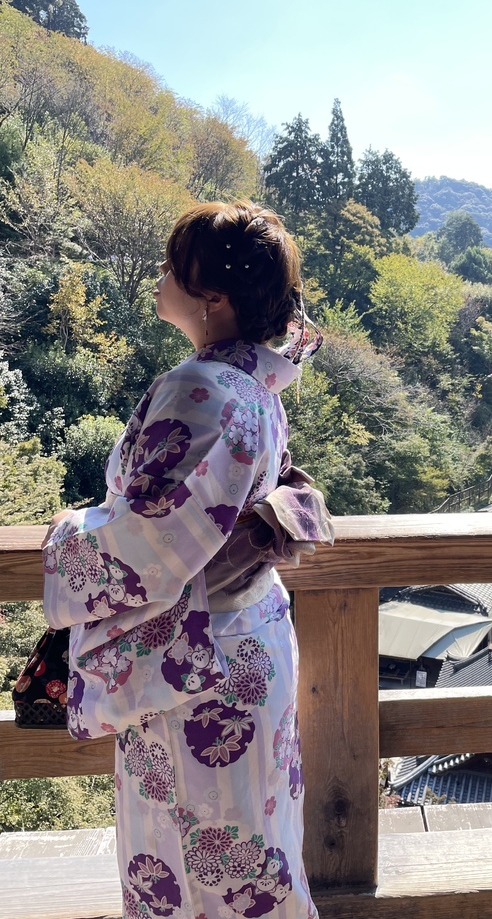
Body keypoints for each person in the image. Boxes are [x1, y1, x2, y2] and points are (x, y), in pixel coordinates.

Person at [42, 201, 332, 919]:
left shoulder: (200, 388)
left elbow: (146, 542)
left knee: (196, 857)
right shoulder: (253, 383)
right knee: (254, 842)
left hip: (197, 669)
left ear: (214, 299)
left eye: (172, 268)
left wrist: (67, 531)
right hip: (248, 642)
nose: (158, 278)